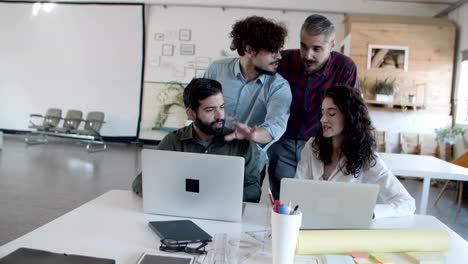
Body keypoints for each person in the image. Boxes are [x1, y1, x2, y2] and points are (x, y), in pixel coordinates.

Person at [268, 14, 360, 199]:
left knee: (314, 201)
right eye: (304, 46)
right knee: (284, 201)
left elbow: (351, 112)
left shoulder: (345, 68)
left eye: (317, 48)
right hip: (283, 142)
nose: (308, 55)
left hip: (320, 145)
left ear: (332, 45)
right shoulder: (284, 60)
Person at [133, 78, 261, 202]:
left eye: (221, 107)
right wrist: (174, 197)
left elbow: (254, 189)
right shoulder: (173, 141)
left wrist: (222, 198)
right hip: (182, 207)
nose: (220, 115)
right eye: (210, 110)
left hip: (224, 211)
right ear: (191, 114)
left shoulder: (241, 142)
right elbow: (140, 182)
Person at [295, 85, 416, 218]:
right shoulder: (312, 147)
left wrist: (369, 212)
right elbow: (295, 194)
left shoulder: (366, 156)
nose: (323, 119)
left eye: (331, 113)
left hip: (346, 229)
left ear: (349, 116)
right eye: (322, 113)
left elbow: (406, 203)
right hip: (309, 223)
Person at [204, 16, 292, 173]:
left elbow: (276, 125)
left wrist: (253, 134)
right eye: (273, 50)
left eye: (279, 50)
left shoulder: (279, 86)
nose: (279, 56)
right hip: (209, 157)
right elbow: (200, 105)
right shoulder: (216, 70)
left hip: (249, 166)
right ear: (249, 50)